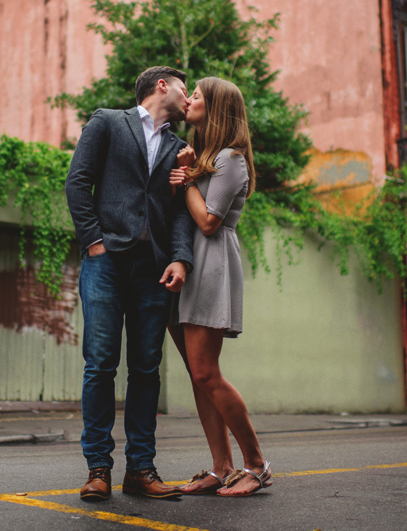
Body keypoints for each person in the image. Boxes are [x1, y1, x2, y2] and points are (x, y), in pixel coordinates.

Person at [65, 66, 196, 502]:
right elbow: (77, 183)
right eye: (184, 87)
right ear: (162, 85)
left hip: (153, 269)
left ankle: (140, 469)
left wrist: (180, 256)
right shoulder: (106, 121)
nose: (187, 96)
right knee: (100, 363)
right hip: (106, 262)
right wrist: (94, 243)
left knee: (145, 369)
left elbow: (179, 211)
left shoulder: (180, 148)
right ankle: (97, 468)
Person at [167, 77, 272, 497]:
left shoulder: (231, 159)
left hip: (211, 263)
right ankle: (221, 466)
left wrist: (189, 180)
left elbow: (209, 220)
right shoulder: (204, 157)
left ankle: (258, 465)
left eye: (197, 95)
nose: (189, 99)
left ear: (218, 108)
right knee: (198, 376)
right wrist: (190, 171)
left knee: (208, 372)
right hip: (187, 264)